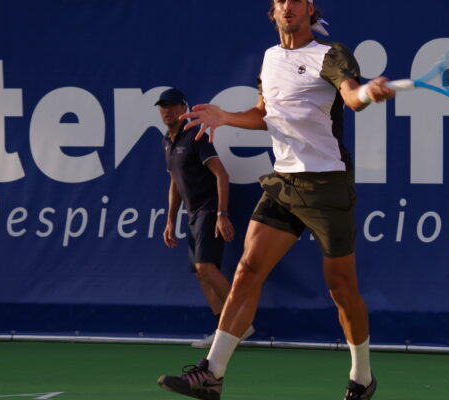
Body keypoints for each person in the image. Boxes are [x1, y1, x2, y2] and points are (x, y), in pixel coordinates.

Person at [157, 1, 394, 399]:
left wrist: (369, 92)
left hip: (326, 186)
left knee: (341, 288)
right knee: (248, 269)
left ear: (310, 9)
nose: (289, 7)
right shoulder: (269, 58)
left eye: (297, 1)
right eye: (282, 0)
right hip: (283, 182)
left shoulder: (329, 54)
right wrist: (226, 116)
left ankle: (362, 376)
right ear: (273, 10)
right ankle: (212, 373)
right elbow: (264, 112)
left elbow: (351, 98)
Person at [156, 88, 255, 349]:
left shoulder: (196, 137)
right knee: (202, 275)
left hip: (210, 211)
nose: (167, 111)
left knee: (205, 268)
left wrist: (222, 214)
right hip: (193, 214)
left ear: (184, 109)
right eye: (163, 106)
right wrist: (170, 220)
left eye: (172, 106)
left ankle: (241, 323)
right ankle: (223, 331)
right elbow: (174, 184)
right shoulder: (167, 141)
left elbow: (222, 175)